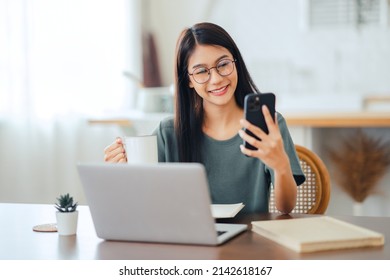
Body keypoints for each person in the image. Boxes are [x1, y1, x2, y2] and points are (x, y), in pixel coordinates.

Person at [104, 22, 305, 214]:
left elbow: (285, 207)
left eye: (223, 64)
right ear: (189, 80)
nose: (216, 79)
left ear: (236, 64)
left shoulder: (268, 125)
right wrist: (122, 173)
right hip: (186, 242)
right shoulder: (168, 133)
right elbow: (144, 199)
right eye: (201, 71)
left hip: (249, 243)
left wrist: (281, 166)